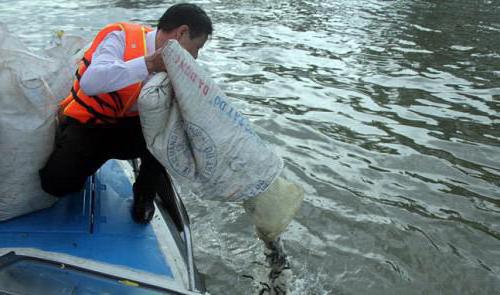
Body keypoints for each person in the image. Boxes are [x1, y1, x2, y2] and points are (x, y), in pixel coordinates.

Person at [39, 3, 213, 224]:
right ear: (181, 33)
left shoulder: (181, 66)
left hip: (134, 133)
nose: (195, 57)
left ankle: (145, 192)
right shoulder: (120, 36)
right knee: (56, 184)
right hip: (91, 127)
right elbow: (91, 82)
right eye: (196, 48)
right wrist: (149, 64)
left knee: (172, 128)